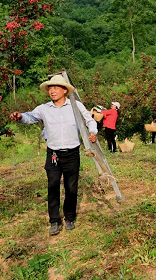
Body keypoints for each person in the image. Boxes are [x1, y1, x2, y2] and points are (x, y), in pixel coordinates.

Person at [10, 74, 97, 236]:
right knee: (53, 186)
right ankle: (55, 221)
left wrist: (93, 131)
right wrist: (20, 116)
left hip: (72, 153)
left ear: (64, 90)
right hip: (53, 155)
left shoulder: (75, 106)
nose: (52, 91)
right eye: (50, 88)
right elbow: (30, 117)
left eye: (56, 87)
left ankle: (69, 218)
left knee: (71, 187)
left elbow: (89, 120)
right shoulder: (44, 109)